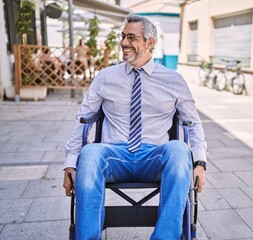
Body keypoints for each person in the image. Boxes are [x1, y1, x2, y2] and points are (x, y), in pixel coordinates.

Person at [63, 14, 207, 240]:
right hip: (115, 156)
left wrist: (199, 162)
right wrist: (70, 164)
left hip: (154, 156)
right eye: (123, 37)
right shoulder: (105, 77)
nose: (123, 43)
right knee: (90, 152)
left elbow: (193, 122)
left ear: (150, 42)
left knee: (180, 150)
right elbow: (82, 118)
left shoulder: (173, 80)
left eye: (132, 37)